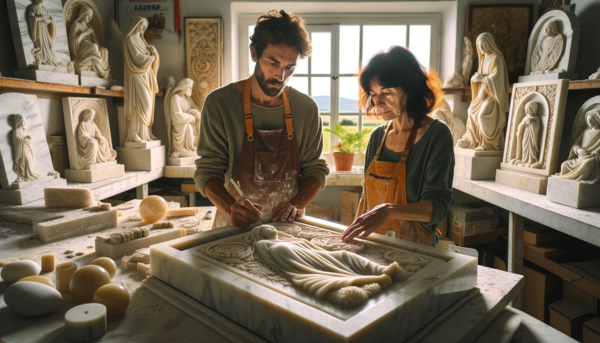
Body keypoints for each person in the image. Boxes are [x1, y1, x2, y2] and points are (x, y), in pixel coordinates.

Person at [194, 10, 329, 228]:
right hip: (233, 226)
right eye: (272, 63)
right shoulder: (220, 103)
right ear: (254, 53)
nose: (280, 76)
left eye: (290, 67)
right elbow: (207, 172)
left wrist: (295, 204)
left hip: (288, 228)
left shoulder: (306, 109)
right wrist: (231, 208)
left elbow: (316, 169)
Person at [341, 46, 453, 247]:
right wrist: (352, 242)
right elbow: (365, 199)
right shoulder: (377, 137)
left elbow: (438, 208)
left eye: (387, 92)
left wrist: (389, 210)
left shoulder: (437, 135)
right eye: (373, 93)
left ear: (410, 90)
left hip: (416, 249)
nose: (378, 102)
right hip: (374, 245)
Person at [123, 17, 160, 143]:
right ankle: (134, 133)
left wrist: (155, 54)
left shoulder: (142, 41)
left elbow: (148, 56)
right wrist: (150, 57)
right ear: (135, 24)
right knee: (140, 103)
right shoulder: (130, 39)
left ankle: (145, 135)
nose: (143, 28)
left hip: (147, 75)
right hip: (137, 74)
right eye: (141, 25)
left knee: (147, 105)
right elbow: (136, 57)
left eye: (145, 26)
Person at [68, 5, 111, 79]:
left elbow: (95, 42)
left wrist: (100, 49)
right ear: (83, 14)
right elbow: (72, 41)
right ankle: (102, 72)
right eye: (88, 16)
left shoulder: (89, 28)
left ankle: (103, 70)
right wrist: (85, 33)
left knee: (105, 50)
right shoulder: (76, 25)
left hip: (90, 47)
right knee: (94, 47)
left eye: (90, 17)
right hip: (81, 48)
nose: (89, 18)